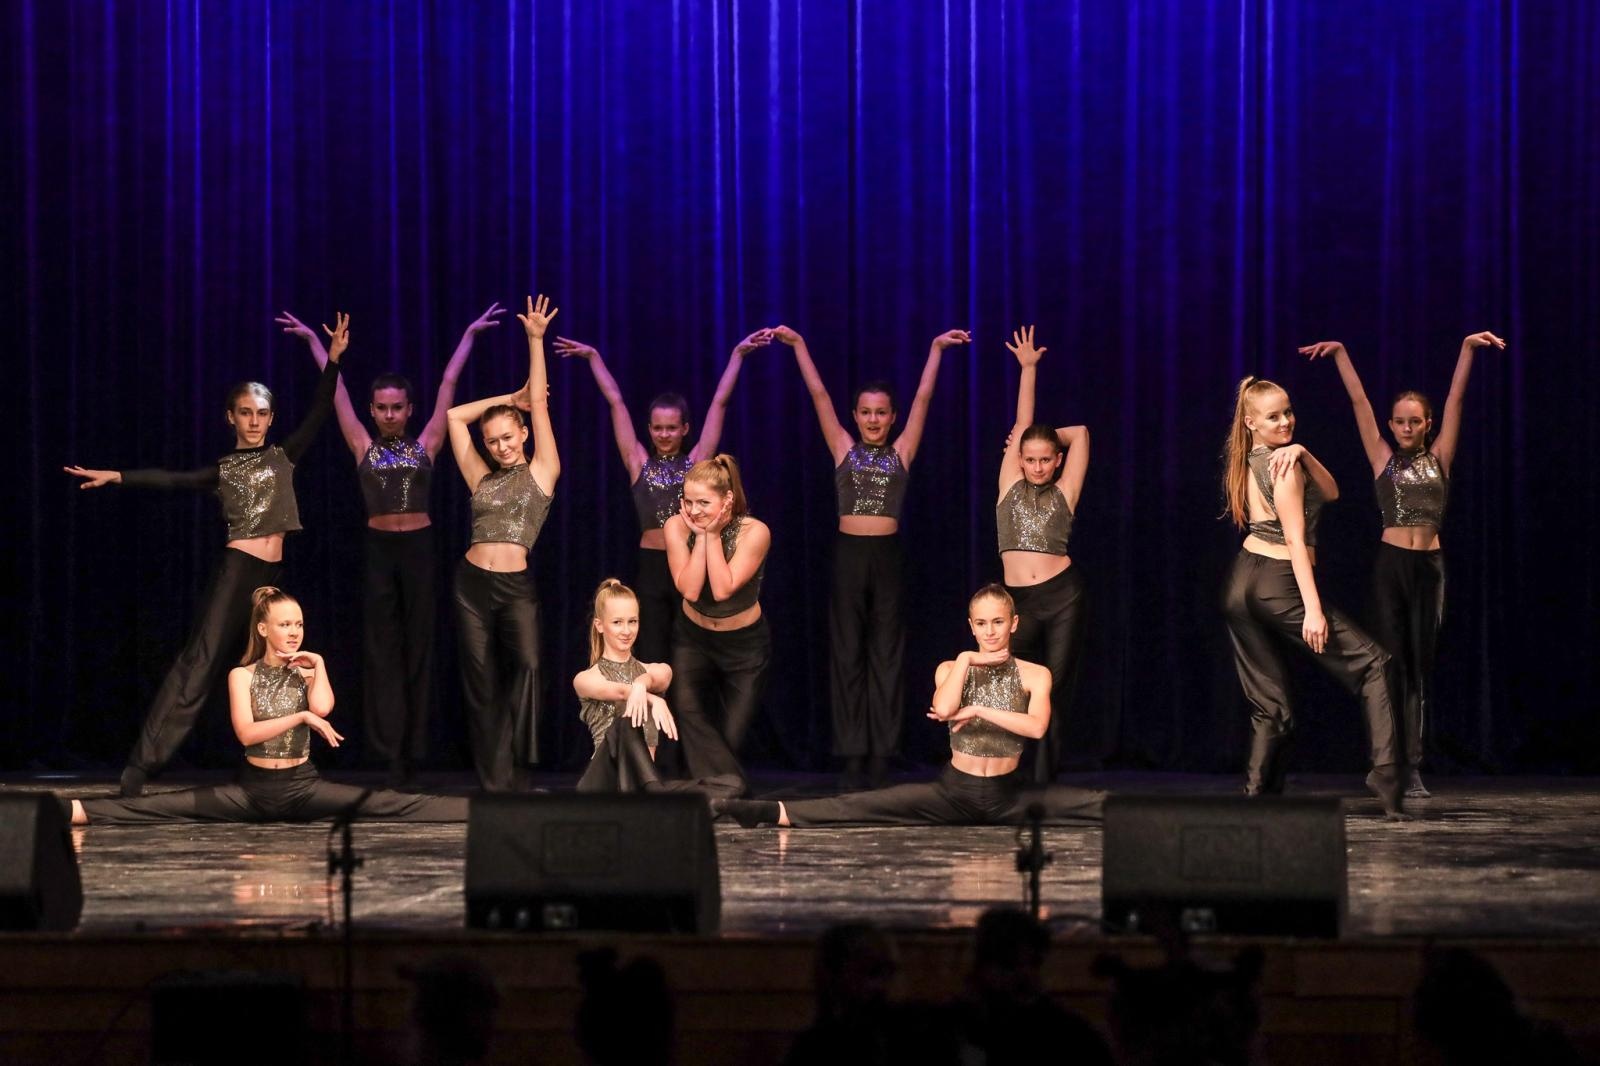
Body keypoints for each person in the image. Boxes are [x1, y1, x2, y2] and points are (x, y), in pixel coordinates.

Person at [66, 314, 349, 796]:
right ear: (231, 417)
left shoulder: (284, 455)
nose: (255, 421)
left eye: (262, 413)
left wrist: (332, 359)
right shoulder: (222, 469)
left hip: (272, 571)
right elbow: (172, 479)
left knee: (278, 662)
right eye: (245, 412)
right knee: (199, 663)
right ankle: (139, 767)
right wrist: (119, 476)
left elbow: (321, 411)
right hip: (239, 571)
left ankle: (276, 766)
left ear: (271, 418)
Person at [276, 302, 505, 788]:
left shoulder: (427, 443)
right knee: (382, 651)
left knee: (420, 646)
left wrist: (468, 334)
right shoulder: (363, 444)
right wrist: (320, 347)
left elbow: (448, 385)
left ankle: (415, 750)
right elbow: (334, 391)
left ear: (409, 409)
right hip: (379, 551)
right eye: (381, 408)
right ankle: (389, 751)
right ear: (372, 409)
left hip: (420, 549)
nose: (388, 415)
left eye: (396, 407)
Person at [713, 585, 1104, 827]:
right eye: (981, 624)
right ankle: (772, 813)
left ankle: (1164, 823)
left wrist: (981, 710)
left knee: (1097, 806)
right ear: (971, 626)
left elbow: (1036, 728)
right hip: (955, 793)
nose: (990, 631)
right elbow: (946, 708)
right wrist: (968, 660)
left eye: (998, 622)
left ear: (1014, 623)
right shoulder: (952, 668)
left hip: (1011, 796)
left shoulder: (1036, 675)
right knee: (864, 806)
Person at [70, 586, 467, 824]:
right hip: (251, 790)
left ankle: (478, 811)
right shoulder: (240, 676)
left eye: (298, 625)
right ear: (264, 628)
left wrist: (321, 666)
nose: (294, 632)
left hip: (303, 786)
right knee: (164, 807)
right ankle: (78, 811)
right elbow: (246, 733)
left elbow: (324, 708)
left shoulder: (306, 671)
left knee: (387, 804)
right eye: (284, 625)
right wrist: (300, 716)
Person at [1302, 332, 1505, 797]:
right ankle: (1386, 762)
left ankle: (1411, 764)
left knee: (1418, 668)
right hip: (1391, 568)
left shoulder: (1441, 458)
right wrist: (1341, 354)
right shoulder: (1382, 459)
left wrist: (1467, 350)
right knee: (1390, 665)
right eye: (1399, 422)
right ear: (1392, 425)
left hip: (1430, 569)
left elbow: (1456, 398)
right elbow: (1359, 402)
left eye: (1415, 422)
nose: (1406, 428)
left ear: (1428, 424)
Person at [774, 324, 970, 788]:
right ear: (856, 416)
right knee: (847, 652)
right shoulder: (843, 448)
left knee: (886, 652)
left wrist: (935, 349)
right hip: (848, 556)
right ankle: (852, 752)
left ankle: (883, 750)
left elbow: (924, 399)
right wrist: (801, 345)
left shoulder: (902, 450)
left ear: (893, 416)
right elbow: (819, 394)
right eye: (865, 412)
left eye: (881, 413)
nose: (873, 420)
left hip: (887, 557)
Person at [1220, 375, 1405, 816]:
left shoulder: (1251, 457)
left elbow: (1333, 492)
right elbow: (1296, 541)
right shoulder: (1283, 470)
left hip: (1240, 583)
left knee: (1270, 704)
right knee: (1375, 665)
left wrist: (1302, 450)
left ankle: (1255, 796)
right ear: (1251, 422)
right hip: (1278, 583)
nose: (1285, 421)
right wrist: (1314, 610)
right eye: (1273, 416)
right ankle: (1386, 776)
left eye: (1288, 412)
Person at [554, 329, 769, 665]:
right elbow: (616, 401)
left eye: (671, 428)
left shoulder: (696, 463)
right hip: (652, 566)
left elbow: (719, 403)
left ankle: (688, 714)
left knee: (689, 649)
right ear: (649, 429)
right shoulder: (638, 462)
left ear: (685, 429)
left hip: (691, 564)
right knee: (652, 649)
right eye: (657, 428)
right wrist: (594, 358)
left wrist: (737, 357)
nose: (664, 435)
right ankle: (654, 713)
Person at [445, 294, 560, 791]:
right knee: (480, 682)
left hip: (515, 586)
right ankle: (495, 780)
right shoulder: (480, 478)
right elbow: (453, 416)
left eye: (508, 436)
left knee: (530, 667)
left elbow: (540, 401)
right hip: (470, 583)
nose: (499, 446)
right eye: (492, 440)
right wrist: (504, 400)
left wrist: (534, 341)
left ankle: (519, 765)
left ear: (525, 433)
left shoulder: (543, 471)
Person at [995, 326, 1090, 782]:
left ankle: (1045, 777)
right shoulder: (1009, 485)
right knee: (1014, 682)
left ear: (1056, 461)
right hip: (1020, 601)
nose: (1035, 467)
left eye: (1045, 459)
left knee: (1053, 683)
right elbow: (1021, 426)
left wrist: (1047, 439)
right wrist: (1028, 370)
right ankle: (1007, 769)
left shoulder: (1066, 491)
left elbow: (1083, 434)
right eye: (1028, 459)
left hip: (1063, 594)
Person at [662, 455, 772, 796]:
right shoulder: (676, 526)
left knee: (728, 738)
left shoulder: (755, 532)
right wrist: (704, 534)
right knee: (690, 714)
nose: (693, 511)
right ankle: (723, 796)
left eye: (703, 503)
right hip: (693, 639)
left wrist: (711, 536)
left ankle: (717, 793)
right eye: (688, 501)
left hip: (744, 647)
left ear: (727, 500)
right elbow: (691, 589)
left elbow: (723, 589)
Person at [573, 578, 678, 792]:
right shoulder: (585, 679)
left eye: (633, 621)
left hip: (640, 783)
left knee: (727, 784)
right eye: (617, 622)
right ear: (600, 625)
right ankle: (657, 795)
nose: (627, 631)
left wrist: (641, 684)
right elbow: (619, 691)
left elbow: (664, 674)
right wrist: (651, 697)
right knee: (626, 724)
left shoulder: (651, 671)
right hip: (602, 786)